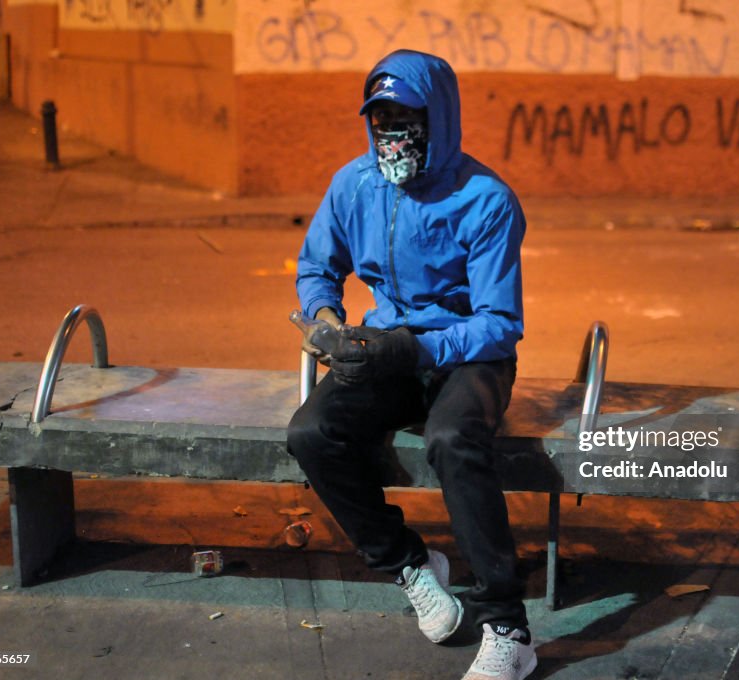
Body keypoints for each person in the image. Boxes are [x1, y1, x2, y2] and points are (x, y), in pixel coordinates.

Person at [285, 49, 535, 680]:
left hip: (468, 356)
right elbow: (318, 266)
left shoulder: (486, 200)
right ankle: (408, 565)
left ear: (440, 118)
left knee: (453, 439)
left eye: (407, 118)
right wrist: (328, 325)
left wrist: (418, 348)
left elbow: (500, 322)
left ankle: (508, 627)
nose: (392, 133)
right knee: (311, 433)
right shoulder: (354, 185)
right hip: (383, 344)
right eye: (381, 118)